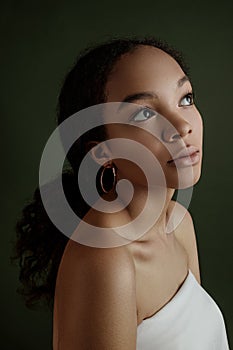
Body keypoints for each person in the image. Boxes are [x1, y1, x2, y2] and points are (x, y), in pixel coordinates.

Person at [12, 37, 230, 349]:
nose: (182, 126)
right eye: (144, 114)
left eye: (185, 98)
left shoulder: (178, 223)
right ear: (102, 151)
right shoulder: (106, 257)